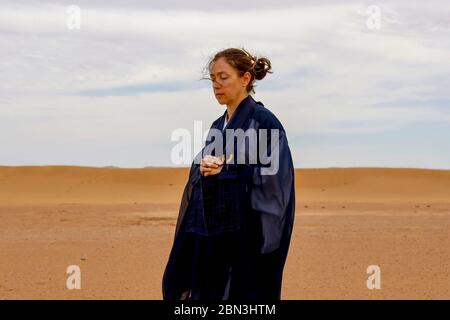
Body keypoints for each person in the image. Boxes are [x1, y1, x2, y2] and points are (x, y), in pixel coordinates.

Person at [162, 47, 296, 301]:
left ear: (245, 78)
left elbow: (276, 183)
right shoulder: (217, 125)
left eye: (223, 77)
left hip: (245, 236)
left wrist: (229, 170)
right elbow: (205, 172)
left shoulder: (264, 122)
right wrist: (205, 168)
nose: (216, 85)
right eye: (213, 79)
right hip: (210, 233)